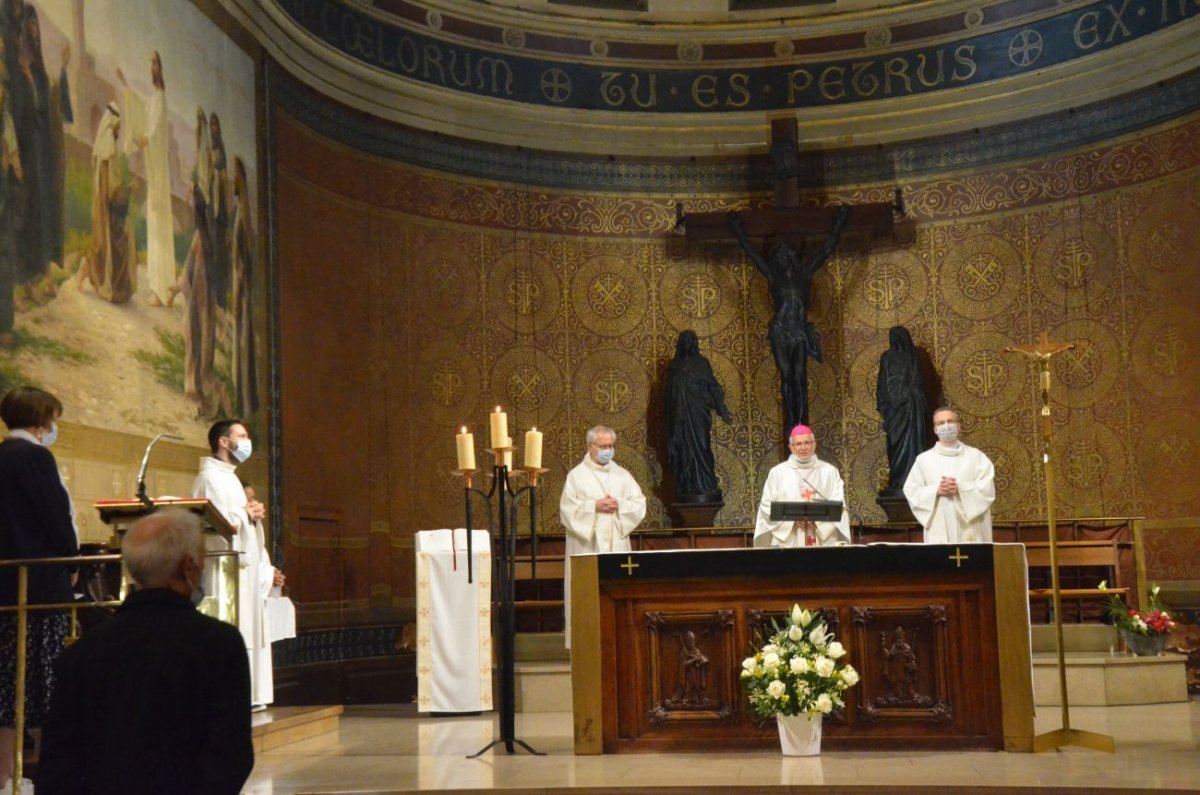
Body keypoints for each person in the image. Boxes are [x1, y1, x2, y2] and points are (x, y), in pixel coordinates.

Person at [36, 510, 254, 795]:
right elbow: (230, 755)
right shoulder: (220, 644)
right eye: (200, 565)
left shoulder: (83, 652)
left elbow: (58, 761)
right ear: (188, 569)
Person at [0, 386, 77, 791]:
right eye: (53, 419)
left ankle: (6, 776)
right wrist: (71, 556)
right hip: (41, 582)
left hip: (5, 584)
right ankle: (52, 774)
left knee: (7, 683)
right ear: (41, 419)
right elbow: (53, 514)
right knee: (46, 679)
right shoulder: (34, 456)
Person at [729, 206, 850, 429]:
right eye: (780, 255)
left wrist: (839, 225)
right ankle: (791, 420)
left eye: (786, 255)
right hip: (781, 331)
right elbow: (752, 253)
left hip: (800, 331)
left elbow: (826, 251)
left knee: (800, 376)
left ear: (791, 257)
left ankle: (801, 421)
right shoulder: (774, 277)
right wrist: (738, 230)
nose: (783, 258)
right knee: (787, 375)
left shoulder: (804, 274)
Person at [192, 419, 284, 708]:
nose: (246, 442)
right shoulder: (210, 477)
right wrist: (245, 514)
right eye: (241, 436)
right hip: (224, 570)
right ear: (223, 441)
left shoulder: (229, 476)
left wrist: (251, 514)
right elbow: (217, 524)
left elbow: (237, 517)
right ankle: (232, 696)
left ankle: (251, 695)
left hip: (243, 568)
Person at [559, 425, 646, 649]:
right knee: (588, 603)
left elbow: (639, 504)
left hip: (617, 550)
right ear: (590, 446)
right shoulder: (576, 477)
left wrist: (620, 505)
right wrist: (594, 506)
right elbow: (567, 511)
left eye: (611, 446)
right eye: (603, 446)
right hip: (587, 549)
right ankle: (586, 646)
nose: (608, 450)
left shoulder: (622, 476)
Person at [118, 51, 174, 307]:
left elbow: (154, 128)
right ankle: (158, 285)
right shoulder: (154, 99)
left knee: (159, 223)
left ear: (160, 68)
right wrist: (126, 85)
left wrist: (144, 140)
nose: (151, 67)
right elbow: (141, 106)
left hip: (159, 171)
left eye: (154, 63)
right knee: (154, 223)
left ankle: (162, 289)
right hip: (154, 170)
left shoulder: (161, 99)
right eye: (149, 62)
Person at [903, 407, 996, 543]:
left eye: (950, 421)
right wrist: (936, 491)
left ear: (958, 426)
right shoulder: (923, 460)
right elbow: (911, 490)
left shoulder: (976, 456)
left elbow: (987, 489)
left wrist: (960, 489)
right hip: (938, 525)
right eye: (941, 423)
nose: (946, 426)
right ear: (935, 429)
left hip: (972, 528)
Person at [755, 423, 850, 547]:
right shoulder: (777, 473)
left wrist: (818, 523)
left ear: (814, 444)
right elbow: (767, 506)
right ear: (791, 447)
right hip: (790, 538)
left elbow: (839, 505)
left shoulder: (830, 472)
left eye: (807, 443)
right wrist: (791, 522)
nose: (803, 447)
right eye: (798, 444)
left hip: (822, 538)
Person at [665, 330, 732, 501]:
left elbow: (713, 387)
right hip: (679, 415)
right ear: (681, 343)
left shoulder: (701, 363)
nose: (688, 342)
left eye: (691, 340)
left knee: (702, 445)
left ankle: (706, 483)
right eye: (684, 339)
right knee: (683, 448)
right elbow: (668, 394)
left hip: (698, 413)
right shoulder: (674, 365)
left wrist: (721, 408)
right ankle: (688, 484)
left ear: (694, 343)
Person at [79, 101, 133, 303]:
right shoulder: (108, 150)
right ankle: (89, 271)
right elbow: (112, 186)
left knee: (105, 242)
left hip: (105, 204)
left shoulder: (106, 149)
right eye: (118, 127)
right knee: (104, 243)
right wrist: (128, 190)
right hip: (106, 205)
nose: (119, 131)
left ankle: (87, 270)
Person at [876, 325, 930, 494]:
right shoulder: (886, 357)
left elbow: (920, 382)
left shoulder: (913, 357)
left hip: (910, 409)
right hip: (894, 412)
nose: (895, 341)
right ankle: (897, 481)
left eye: (898, 337)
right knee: (894, 443)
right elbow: (882, 383)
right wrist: (889, 402)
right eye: (892, 338)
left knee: (914, 445)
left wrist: (910, 395)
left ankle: (913, 481)